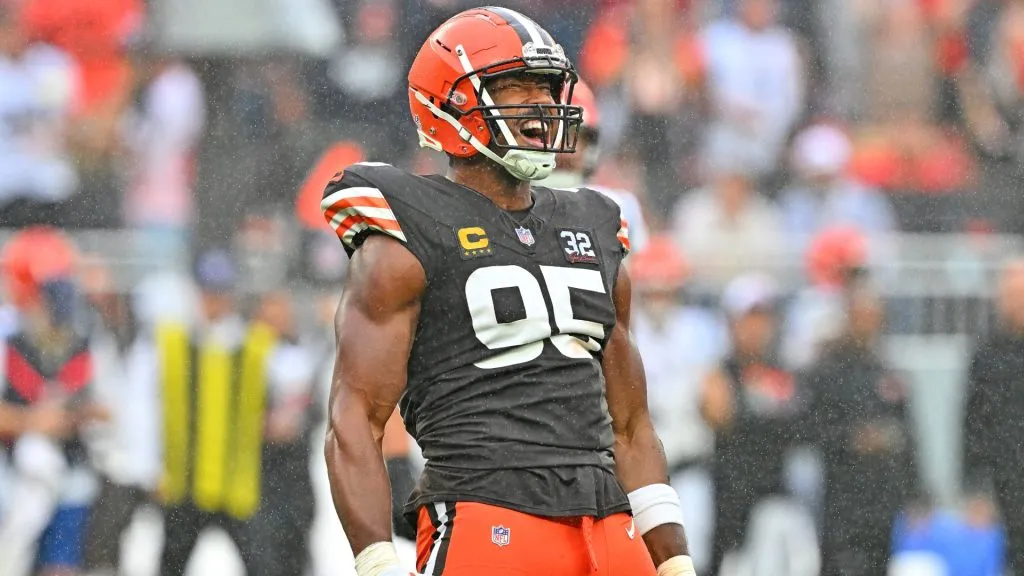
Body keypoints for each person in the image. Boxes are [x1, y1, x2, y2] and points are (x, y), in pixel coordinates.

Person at [320, 7, 695, 576]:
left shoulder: (595, 223)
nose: (541, 106)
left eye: (546, 89)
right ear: (450, 102)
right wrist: (376, 562)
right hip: (486, 512)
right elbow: (355, 417)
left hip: (610, 524)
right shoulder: (407, 225)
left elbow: (631, 424)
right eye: (516, 86)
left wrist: (673, 559)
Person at [154, 249, 277, 576]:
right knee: (169, 566)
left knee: (263, 565)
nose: (215, 302)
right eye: (209, 292)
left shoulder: (255, 345)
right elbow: (150, 408)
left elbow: (279, 402)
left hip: (236, 487)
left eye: (221, 293)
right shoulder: (173, 341)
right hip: (185, 484)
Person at [0, 227, 107, 576]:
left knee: (60, 565)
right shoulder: (9, 335)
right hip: (16, 475)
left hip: (69, 468)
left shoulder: (85, 336)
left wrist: (75, 415)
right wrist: (32, 422)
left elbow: (108, 408)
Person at [805, 276, 917, 575]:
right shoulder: (827, 369)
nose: (867, 323)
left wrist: (917, 491)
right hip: (842, 495)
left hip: (881, 495)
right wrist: (852, 439)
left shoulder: (889, 369)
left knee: (879, 563)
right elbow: (810, 427)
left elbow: (909, 432)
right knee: (839, 563)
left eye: (873, 315)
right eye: (861, 314)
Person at [700, 273, 802, 575]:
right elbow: (721, 418)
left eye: (763, 318)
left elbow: (797, 426)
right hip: (730, 499)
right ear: (731, 323)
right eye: (749, 318)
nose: (756, 328)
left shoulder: (783, 369)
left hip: (775, 496)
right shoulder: (719, 372)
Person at [538, 79, 649, 254]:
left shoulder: (618, 208)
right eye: (553, 135)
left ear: (589, 141)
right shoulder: (506, 203)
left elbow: (635, 274)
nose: (563, 150)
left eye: (573, 136)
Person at [963, 258, 1024, 572]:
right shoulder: (988, 357)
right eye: (1011, 296)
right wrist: (974, 488)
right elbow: (972, 425)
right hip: (1006, 479)